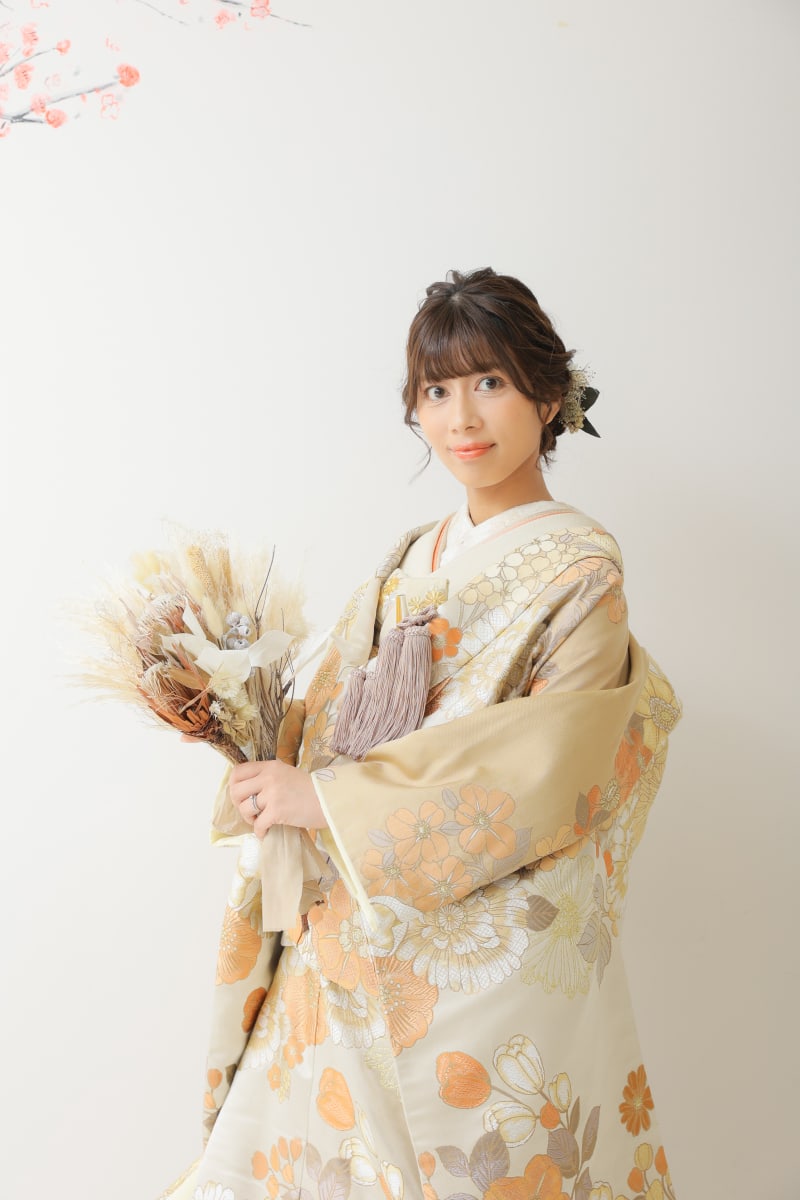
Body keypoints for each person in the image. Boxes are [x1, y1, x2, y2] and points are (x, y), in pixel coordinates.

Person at [161, 268, 682, 1200]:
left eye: (491, 382)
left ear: (549, 397)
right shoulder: (410, 556)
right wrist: (265, 758)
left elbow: (547, 767)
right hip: (352, 915)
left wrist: (331, 802)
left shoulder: (580, 570)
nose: (461, 418)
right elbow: (333, 712)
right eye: (436, 391)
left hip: (475, 936)